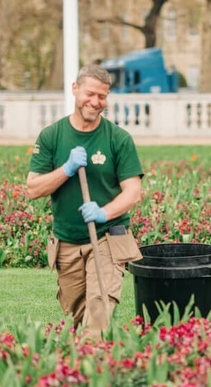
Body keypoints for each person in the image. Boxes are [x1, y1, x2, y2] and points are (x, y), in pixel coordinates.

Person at [27, 64, 144, 336]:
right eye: (90, 94)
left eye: (102, 97)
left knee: (99, 309)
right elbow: (33, 188)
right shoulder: (52, 136)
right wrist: (66, 169)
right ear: (75, 90)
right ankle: (84, 365)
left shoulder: (118, 139)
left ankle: (94, 371)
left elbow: (133, 192)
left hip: (107, 238)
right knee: (75, 317)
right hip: (66, 242)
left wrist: (103, 212)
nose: (96, 102)